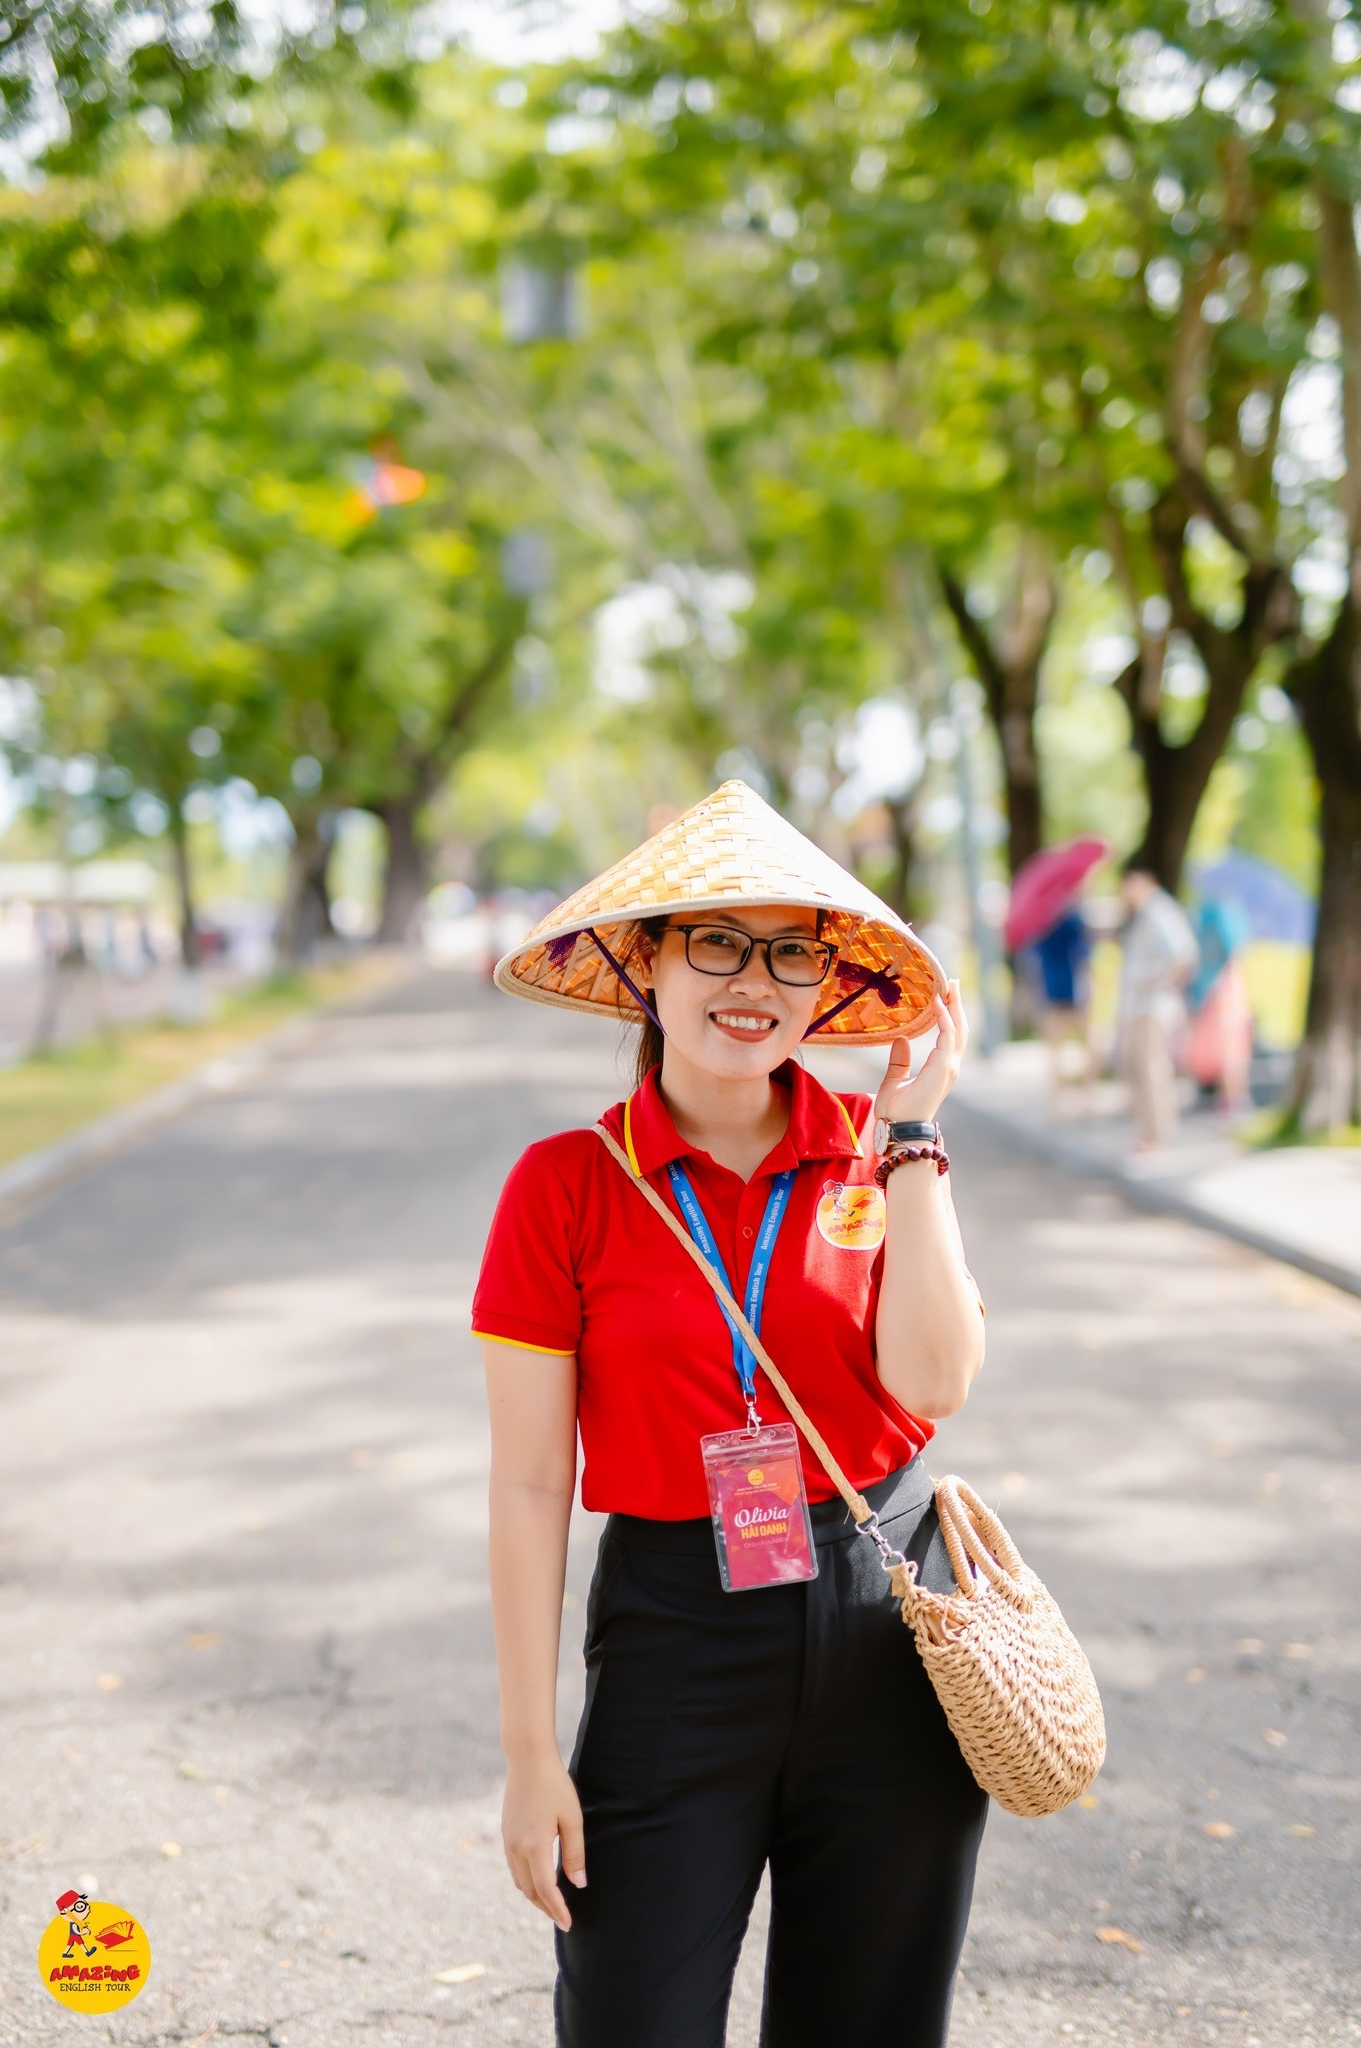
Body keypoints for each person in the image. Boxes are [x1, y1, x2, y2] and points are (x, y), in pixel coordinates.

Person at [473, 779, 988, 2048]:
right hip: (674, 1633)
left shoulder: (878, 1149)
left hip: (887, 1612)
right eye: (715, 940)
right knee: (631, 2016)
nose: (753, 980)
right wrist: (530, 1750)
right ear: (645, 962)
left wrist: (914, 1134)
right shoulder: (563, 1185)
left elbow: (934, 1384)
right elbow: (530, 1481)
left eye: (790, 950)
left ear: (824, 983)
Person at [1117, 858, 1200, 1150]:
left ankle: (1156, 1135)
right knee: (1141, 1070)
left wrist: (1157, 983)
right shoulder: (1145, 913)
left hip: (1151, 1006)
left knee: (1152, 1071)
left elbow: (1184, 955)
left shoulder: (1159, 910)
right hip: (1140, 1005)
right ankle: (1148, 1132)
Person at [1184, 895, 1254, 1117]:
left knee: (1227, 1050)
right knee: (1223, 1050)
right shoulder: (1217, 920)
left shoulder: (1210, 920)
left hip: (1216, 996)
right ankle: (1228, 1098)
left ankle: (1233, 1098)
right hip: (1215, 996)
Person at [1025, 904, 1093, 1112]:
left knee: (1055, 1052)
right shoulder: (1074, 918)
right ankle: (1086, 1099)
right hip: (1074, 993)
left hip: (1051, 992)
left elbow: (1033, 957)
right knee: (1086, 1047)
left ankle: (1057, 1103)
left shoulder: (1040, 921)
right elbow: (1084, 954)